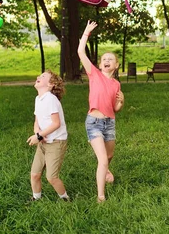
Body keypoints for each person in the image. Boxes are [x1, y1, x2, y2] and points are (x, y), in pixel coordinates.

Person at [78, 21, 125, 203]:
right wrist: (86, 33)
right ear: (100, 64)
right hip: (94, 123)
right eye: (104, 59)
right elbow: (81, 52)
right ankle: (101, 196)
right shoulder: (94, 74)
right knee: (103, 160)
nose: (106, 61)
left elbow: (114, 109)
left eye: (110, 59)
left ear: (116, 65)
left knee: (109, 156)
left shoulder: (116, 84)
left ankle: (105, 169)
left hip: (110, 122)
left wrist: (121, 103)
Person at [27, 70, 70, 202]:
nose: (38, 77)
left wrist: (39, 136)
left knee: (51, 177)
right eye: (39, 75)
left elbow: (56, 123)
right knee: (35, 174)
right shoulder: (38, 99)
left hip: (56, 142)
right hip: (44, 141)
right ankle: (36, 198)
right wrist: (37, 133)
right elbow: (37, 120)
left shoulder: (50, 99)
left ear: (51, 84)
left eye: (43, 76)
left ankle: (65, 199)